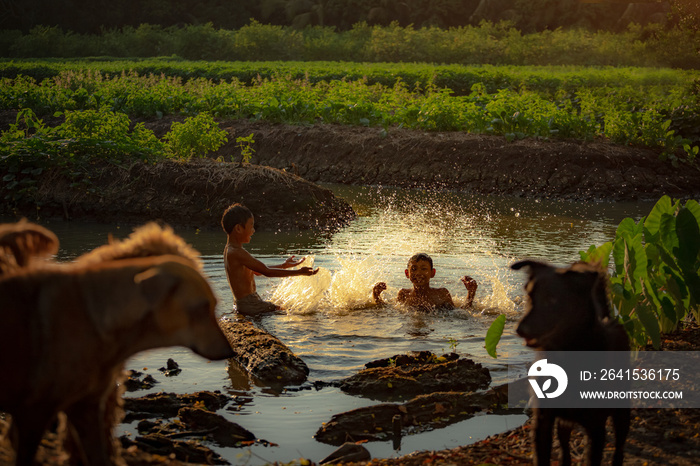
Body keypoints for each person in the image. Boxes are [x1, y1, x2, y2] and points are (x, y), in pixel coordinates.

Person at [222, 203, 318, 316]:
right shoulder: (236, 252)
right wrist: (299, 272)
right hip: (249, 305)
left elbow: (257, 271)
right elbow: (266, 272)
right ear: (238, 228)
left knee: (286, 308)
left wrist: (283, 266)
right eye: (251, 226)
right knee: (292, 312)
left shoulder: (232, 250)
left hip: (248, 303)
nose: (253, 230)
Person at [372, 252, 478, 310]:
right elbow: (389, 311)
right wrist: (376, 296)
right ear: (407, 274)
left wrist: (471, 293)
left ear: (432, 273)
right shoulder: (404, 294)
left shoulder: (441, 294)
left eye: (424, 269)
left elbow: (460, 313)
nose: (418, 273)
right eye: (414, 269)